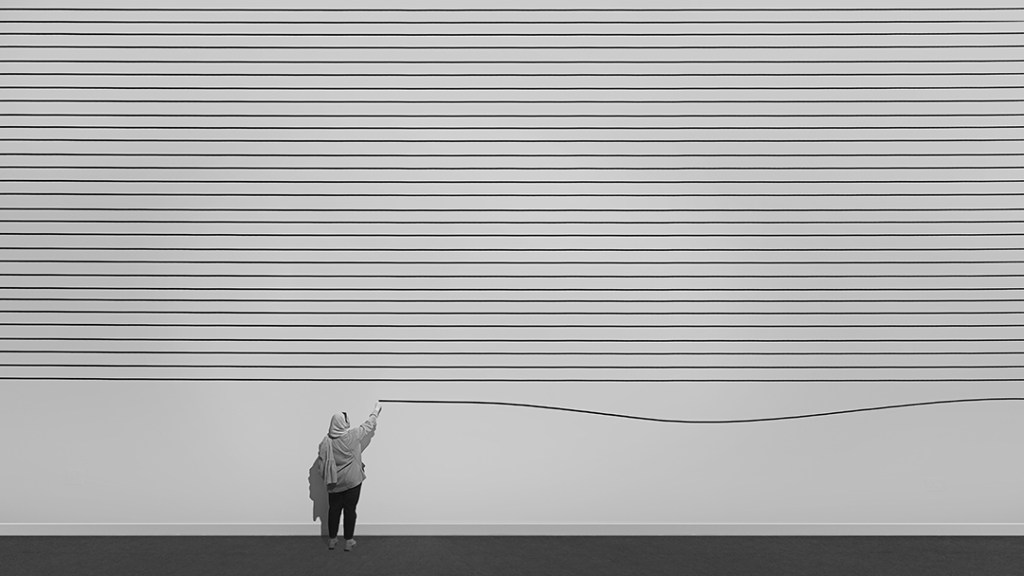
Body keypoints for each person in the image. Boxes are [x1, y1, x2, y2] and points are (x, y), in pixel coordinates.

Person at [316, 402, 381, 551]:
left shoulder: (326, 442)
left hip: (334, 482)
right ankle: (348, 541)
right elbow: (368, 425)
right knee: (350, 510)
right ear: (343, 423)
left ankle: (332, 540)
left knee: (334, 510)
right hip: (353, 481)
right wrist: (376, 411)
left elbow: (322, 462)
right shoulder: (353, 435)